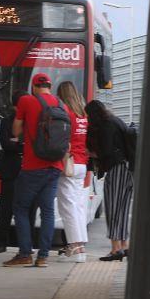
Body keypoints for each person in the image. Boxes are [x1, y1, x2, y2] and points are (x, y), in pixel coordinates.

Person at [3, 73, 65, 268]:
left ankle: (24, 254)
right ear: (49, 85)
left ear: (34, 86)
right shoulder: (61, 105)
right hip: (55, 166)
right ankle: (43, 256)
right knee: (47, 211)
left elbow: (16, 131)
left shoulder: (26, 101)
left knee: (21, 208)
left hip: (32, 166)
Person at [86, 100, 135, 261]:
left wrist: (90, 153)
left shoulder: (107, 125)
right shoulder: (116, 120)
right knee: (122, 209)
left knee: (113, 208)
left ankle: (115, 249)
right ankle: (124, 245)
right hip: (129, 169)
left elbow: (106, 152)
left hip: (117, 170)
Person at [0, 91, 35, 254]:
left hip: (28, 170)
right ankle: (1, 243)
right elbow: (5, 144)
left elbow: (32, 144)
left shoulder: (32, 120)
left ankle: (26, 244)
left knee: (28, 209)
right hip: (10, 170)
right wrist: (21, 144)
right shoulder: (6, 121)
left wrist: (18, 142)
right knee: (6, 209)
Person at [55, 81, 90, 263]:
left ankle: (74, 247)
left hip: (69, 163)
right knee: (78, 206)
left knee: (67, 207)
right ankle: (81, 246)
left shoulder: (66, 113)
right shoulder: (83, 114)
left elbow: (63, 139)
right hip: (82, 163)